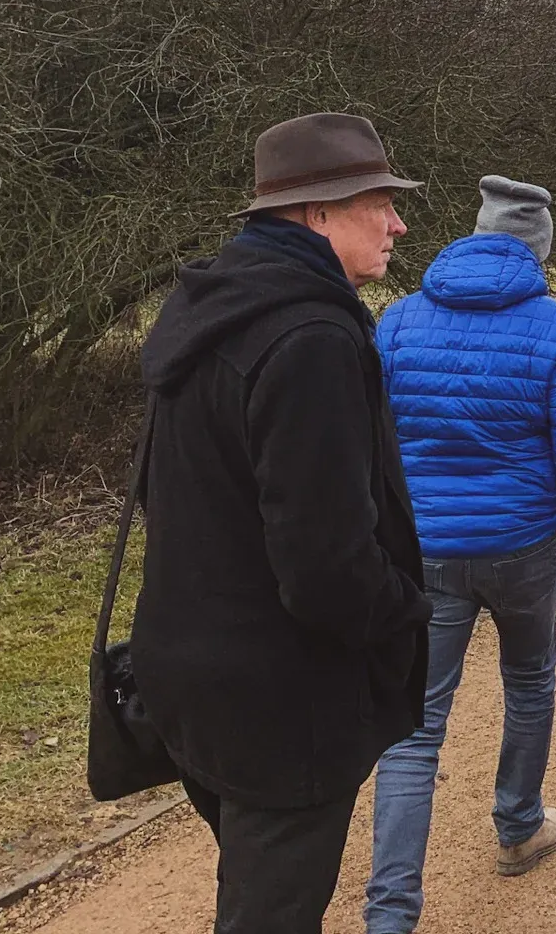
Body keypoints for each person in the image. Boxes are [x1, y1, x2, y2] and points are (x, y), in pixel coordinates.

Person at [131, 112, 432, 933]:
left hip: (191, 678)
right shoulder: (310, 338)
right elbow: (326, 562)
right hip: (281, 704)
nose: (399, 222)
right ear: (318, 213)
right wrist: (406, 609)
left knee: (257, 890)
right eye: (381, 202)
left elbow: (177, 497)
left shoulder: (206, 309)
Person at [364, 176, 556, 934]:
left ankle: (390, 914)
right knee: (530, 679)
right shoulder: (554, 324)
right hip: (523, 545)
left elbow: (369, 438)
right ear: (537, 249)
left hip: (425, 550)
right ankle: (517, 826)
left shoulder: (399, 322)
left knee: (413, 726)